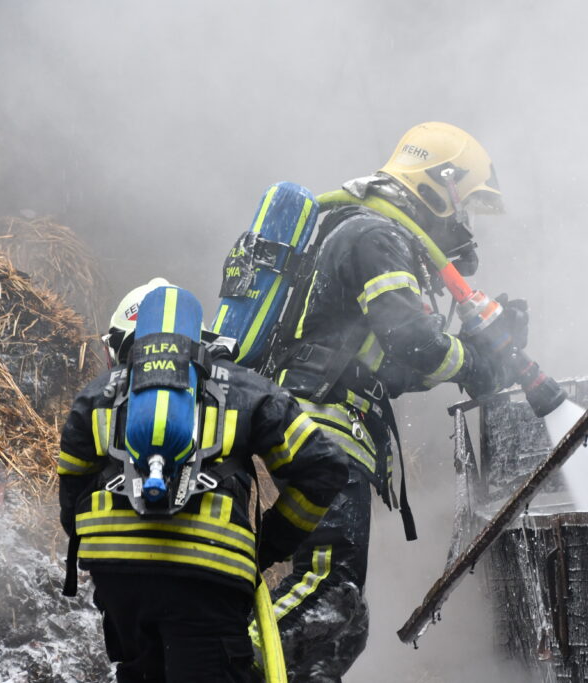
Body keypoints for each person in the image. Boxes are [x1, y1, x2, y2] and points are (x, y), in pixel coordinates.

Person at [262, 122, 525, 681]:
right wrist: (476, 361)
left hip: (329, 425)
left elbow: (394, 367)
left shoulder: (369, 234)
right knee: (327, 595)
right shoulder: (374, 235)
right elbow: (414, 340)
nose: (463, 222)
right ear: (438, 185)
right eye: (463, 204)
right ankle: (210, 662)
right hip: (323, 428)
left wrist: (475, 357)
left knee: (341, 624)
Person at [57, 278, 348, 683]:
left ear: (119, 345)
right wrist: (266, 547)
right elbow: (324, 467)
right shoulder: (247, 388)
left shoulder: (96, 394)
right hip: (207, 575)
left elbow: (71, 491)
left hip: (118, 580)